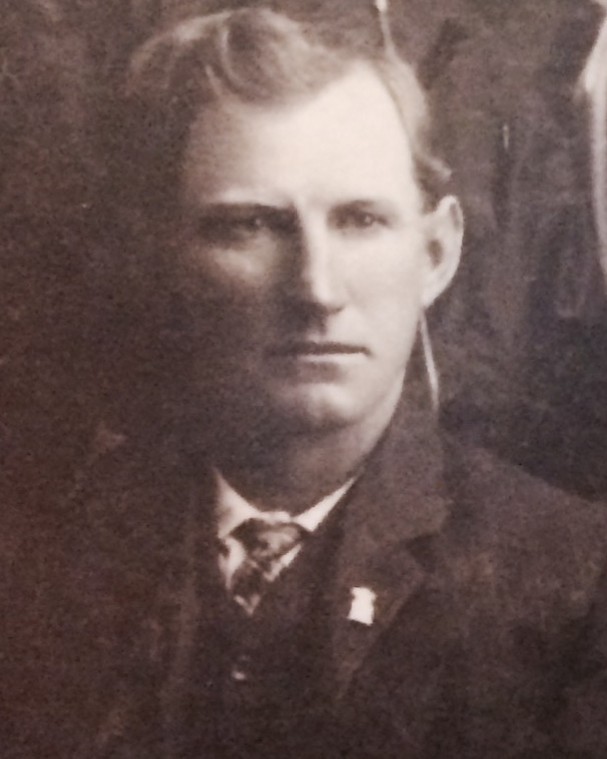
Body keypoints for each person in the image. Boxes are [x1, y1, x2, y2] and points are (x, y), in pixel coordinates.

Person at [20, 3, 607, 758]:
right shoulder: (38, 562)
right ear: (165, 257)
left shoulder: (579, 585)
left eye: (361, 220)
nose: (316, 288)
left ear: (435, 254)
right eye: (251, 225)